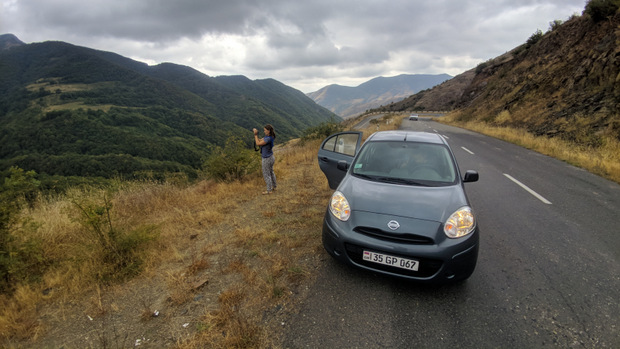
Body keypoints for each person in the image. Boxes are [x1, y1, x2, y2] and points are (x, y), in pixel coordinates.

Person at [253, 124, 277, 194]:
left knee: (266, 174)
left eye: (265, 130)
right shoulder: (270, 137)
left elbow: (258, 143)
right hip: (271, 157)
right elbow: (260, 140)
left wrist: (255, 135)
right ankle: (274, 186)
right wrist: (257, 137)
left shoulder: (268, 138)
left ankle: (269, 190)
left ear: (268, 131)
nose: (264, 131)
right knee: (271, 172)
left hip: (266, 158)